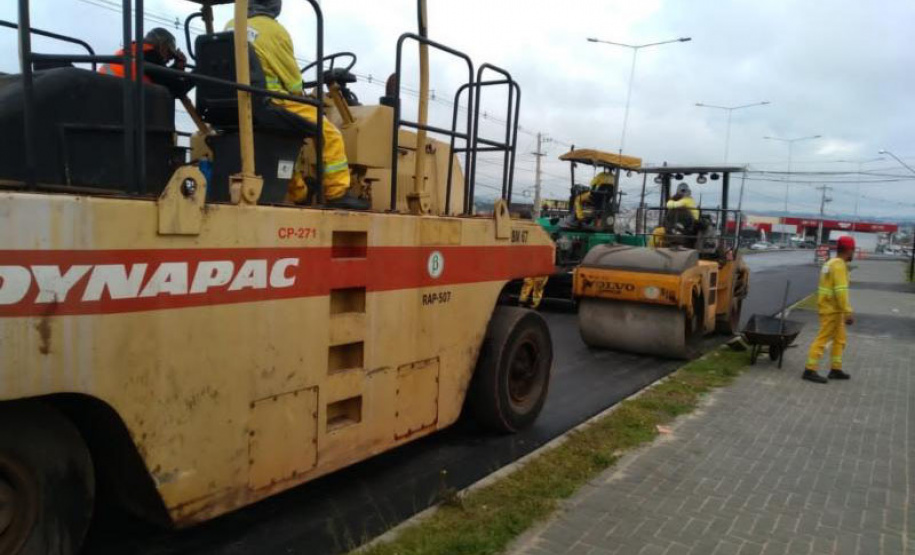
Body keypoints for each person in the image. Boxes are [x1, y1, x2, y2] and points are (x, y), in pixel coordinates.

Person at [230, 0, 353, 205]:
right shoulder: (275, 31)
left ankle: (300, 192)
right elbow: (294, 82)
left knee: (290, 141)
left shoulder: (232, 24)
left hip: (234, 102)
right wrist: (303, 96)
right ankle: (336, 192)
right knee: (329, 133)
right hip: (270, 101)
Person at [802, 235, 856, 383]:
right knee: (823, 339)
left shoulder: (830, 263)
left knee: (840, 339)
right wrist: (848, 311)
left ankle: (835, 369)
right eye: (853, 250)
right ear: (849, 250)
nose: (854, 253)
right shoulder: (839, 266)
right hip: (832, 309)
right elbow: (841, 291)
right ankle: (809, 370)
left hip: (831, 308)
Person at [99, 28, 192, 97]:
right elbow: (177, 88)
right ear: (162, 45)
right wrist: (201, 70)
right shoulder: (150, 55)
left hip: (107, 97)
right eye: (169, 54)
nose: (168, 60)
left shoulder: (133, 51)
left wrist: (177, 67)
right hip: (124, 102)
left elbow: (161, 78)